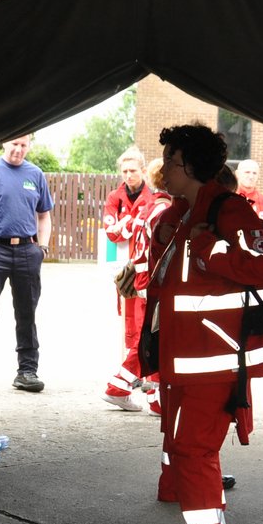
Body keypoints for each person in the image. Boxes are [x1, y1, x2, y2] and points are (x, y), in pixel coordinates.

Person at [148, 124, 263, 524]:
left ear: (188, 165)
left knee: (195, 454)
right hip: (185, 362)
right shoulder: (189, 211)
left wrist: (207, 248)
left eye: (169, 160)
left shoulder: (230, 210)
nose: (163, 169)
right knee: (189, 454)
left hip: (210, 364)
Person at [0, 133, 53, 393]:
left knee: (27, 312)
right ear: (3, 142)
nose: (18, 149)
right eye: (14, 144)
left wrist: (42, 247)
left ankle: (27, 371)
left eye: (23, 145)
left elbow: (44, 214)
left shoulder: (35, 174)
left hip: (27, 250)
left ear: (29, 146)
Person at [101, 147, 156, 412]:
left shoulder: (152, 197)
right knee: (134, 331)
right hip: (125, 273)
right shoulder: (115, 196)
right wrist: (129, 223)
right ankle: (135, 385)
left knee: (148, 330)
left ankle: (146, 388)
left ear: (143, 171)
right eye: (124, 171)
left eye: (133, 170)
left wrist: (127, 223)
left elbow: (134, 227)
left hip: (144, 272)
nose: (128, 175)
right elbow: (112, 233)